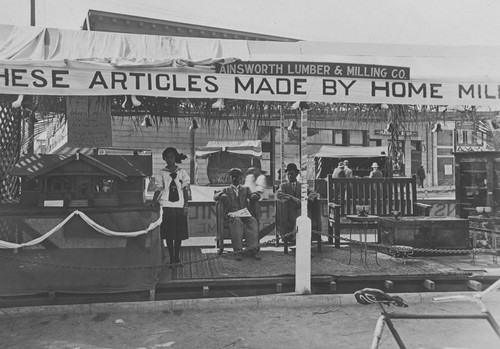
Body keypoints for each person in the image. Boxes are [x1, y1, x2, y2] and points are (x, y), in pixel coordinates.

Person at [151, 147, 190, 266]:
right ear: (164, 158)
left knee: (178, 233)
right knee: (168, 233)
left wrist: (186, 205)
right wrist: (153, 201)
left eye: (172, 157)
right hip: (167, 205)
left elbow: (185, 189)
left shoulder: (182, 172)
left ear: (175, 157)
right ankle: (171, 257)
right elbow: (159, 189)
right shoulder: (162, 173)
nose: (169, 159)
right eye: (167, 157)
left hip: (179, 205)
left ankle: (177, 256)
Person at [213, 168, 262, 261]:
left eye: (237, 177)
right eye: (233, 177)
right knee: (237, 221)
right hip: (232, 216)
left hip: (244, 214)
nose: (235, 178)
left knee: (252, 220)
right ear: (230, 178)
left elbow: (254, 195)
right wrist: (220, 195)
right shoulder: (226, 189)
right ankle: (238, 251)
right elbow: (214, 197)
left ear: (241, 178)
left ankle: (253, 250)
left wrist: (254, 196)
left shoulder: (245, 189)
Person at [276, 163, 320, 245]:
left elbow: (314, 193)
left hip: (303, 210)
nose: (290, 176)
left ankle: (300, 240)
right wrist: (292, 198)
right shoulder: (283, 186)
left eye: (292, 174)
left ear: (296, 174)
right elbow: (278, 194)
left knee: (303, 214)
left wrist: (307, 199)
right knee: (300, 215)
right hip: (290, 212)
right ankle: (299, 239)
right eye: (288, 174)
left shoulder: (302, 185)